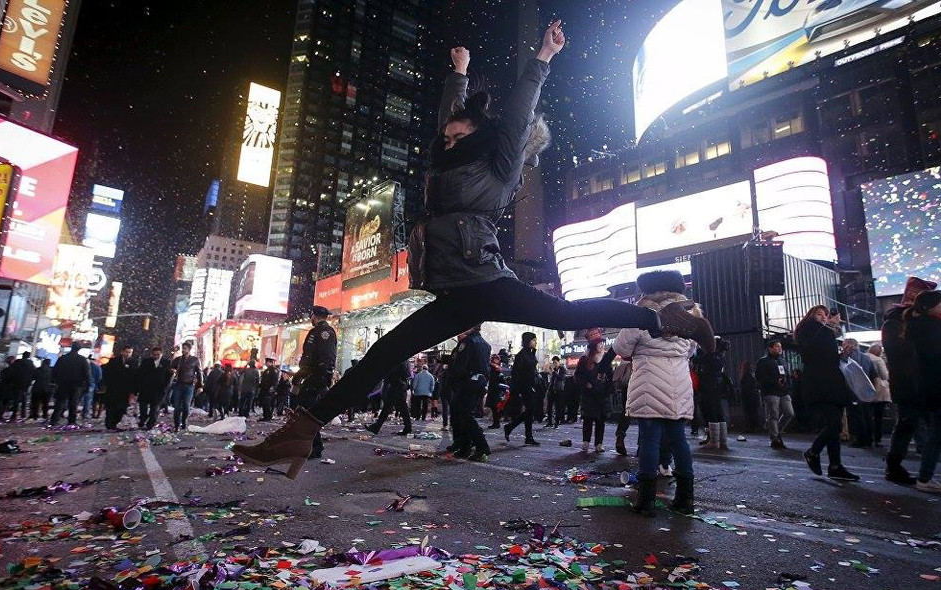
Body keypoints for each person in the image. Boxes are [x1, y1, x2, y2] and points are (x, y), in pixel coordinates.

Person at [232, 22, 713, 477]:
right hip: (454, 292)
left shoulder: (499, 166)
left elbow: (520, 113)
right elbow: (450, 120)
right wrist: (458, 74)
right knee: (383, 351)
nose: (449, 140)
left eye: (460, 136)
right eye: (446, 136)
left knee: (568, 315)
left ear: (480, 138)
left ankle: (663, 320)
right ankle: (299, 434)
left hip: (485, 281)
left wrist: (543, 56)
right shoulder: (445, 164)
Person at [613, 270, 707, 516]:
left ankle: (646, 501)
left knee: (650, 439)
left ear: (649, 290)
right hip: (679, 381)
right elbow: (691, 351)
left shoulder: (643, 313)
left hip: (649, 381)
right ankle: (686, 499)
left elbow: (621, 347)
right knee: (679, 439)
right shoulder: (690, 313)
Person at [882, 276, 936, 484]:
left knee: (915, 424)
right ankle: (895, 466)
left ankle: (900, 466)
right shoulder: (896, 322)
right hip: (908, 383)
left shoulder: (910, 321)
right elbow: (900, 352)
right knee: (908, 424)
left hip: (919, 382)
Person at [796, 306, 860, 481]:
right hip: (820, 384)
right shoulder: (808, 330)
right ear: (810, 316)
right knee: (834, 425)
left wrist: (842, 355)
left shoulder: (825, 332)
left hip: (831, 382)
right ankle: (813, 452)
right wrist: (828, 328)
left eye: (825, 315)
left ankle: (835, 465)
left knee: (835, 424)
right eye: (820, 314)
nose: (824, 317)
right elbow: (812, 351)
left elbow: (827, 357)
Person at [902, 289, 941, 493]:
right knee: (935, 435)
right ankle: (925, 478)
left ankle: (925, 477)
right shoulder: (931, 327)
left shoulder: (920, 326)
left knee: (935, 434)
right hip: (937, 387)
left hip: (930, 388)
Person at [293, 306, 337, 458]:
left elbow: (326, 358)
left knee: (306, 411)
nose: (310, 318)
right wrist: (300, 374)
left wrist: (322, 376)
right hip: (311, 376)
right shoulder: (316, 331)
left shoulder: (325, 332)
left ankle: (315, 447)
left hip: (317, 377)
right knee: (305, 411)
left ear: (316, 316)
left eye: (312, 315)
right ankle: (313, 445)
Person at [445, 325, 492, 460]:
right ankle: (465, 448)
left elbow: (460, 366)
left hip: (468, 383)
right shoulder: (485, 345)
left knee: (465, 416)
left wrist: (453, 379)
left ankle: (482, 446)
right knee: (465, 415)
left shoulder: (467, 342)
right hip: (480, 382)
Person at [575, 336, 613, 452]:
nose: (602, 345)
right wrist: (586, 384)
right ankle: (586, 441)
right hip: (589, 394)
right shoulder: (584, 359)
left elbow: (610, 376)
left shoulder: (606, 358)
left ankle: (599, 444)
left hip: (602, 394)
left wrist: (608, 390)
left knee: (601, 420)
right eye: (599, 343)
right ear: (593, 346)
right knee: (588, 418)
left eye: (603, 343)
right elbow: (578, 375)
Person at [504, 332, 541, 446]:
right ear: (528, 341)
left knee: (530, 412)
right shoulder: (521, 355)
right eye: (534, 340)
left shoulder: (530, 353)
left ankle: (526, 436)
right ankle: (511, 428)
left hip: (531, 386)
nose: (535, 342)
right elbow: (516, 374)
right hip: (524, 387)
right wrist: (517, 391)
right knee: (530, 410)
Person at [756, 340, 794, 449]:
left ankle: (777, 432)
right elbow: (759, 377)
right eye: (777, 346)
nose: (779, 348)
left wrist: (787, 384)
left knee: (789, 413)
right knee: (774, 414)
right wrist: (774, 381)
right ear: (770, 348)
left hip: (783, 391)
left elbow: (786, 374)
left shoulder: (782, 361)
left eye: (780, 346)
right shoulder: (763, 361)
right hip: (771, 391)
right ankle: (775, 438)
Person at [698, 337, 733, 450]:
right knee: (719, 412)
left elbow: (695, 360)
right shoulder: (721, 356)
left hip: (708, 386)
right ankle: (723, 441)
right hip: (719, 386)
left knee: (710, 412)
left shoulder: (709, 356)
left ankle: (714, 441)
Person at [842, 338, 875, 447]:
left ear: (848, 345)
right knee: (867, 415)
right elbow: (873, 374)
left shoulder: (850, 357)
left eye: (844, 345)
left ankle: (860, 439)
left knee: (857, 416)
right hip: (866, 390)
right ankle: (869, 438)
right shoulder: (867, 357)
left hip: (855, 390)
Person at [367, 361, 413, 436]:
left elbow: (393, 373)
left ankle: (376, 426)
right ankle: (408, 428)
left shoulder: (400, 360)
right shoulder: (404, 360)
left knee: (388, 407)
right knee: (401, 408)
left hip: (397, 386)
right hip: (400, 385)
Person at [51, 346, 90, 427]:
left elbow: (55, 371)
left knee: (60, 403)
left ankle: (54, 420)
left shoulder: (62, 358)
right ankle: (71, 421)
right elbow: (87, 373)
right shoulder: (82, 359)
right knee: (73, 404)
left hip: (63, 384)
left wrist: (55, 381)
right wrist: (87, 385)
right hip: (76, 385)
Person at [102, 346, 137, 431]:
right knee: (111, 408)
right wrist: (106, 385)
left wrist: (133, 390)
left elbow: (135, 376)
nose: (128, 354)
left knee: (121, 409)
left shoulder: (134, 362)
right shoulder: (114, 361)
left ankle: (115, 422)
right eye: (126, 352)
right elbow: (107, 373)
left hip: (125, 390)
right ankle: (109, 424)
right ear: (122, 352)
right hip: (113, 388)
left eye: (130, 352)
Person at [137, 346, 173, 430]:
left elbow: (168, 375)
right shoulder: (146, 361)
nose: (156, 356)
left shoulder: (167, 362)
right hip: (146, 388)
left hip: (159, 389)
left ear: (161, 354)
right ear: (151, 354)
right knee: (143, 406)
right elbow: (140, 374)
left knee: (155, 407)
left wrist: (166, 386)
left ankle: (150, 424)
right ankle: (143, 419)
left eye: (158, 355)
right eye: (154, 354)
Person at [171, 341, 203, 431]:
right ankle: (176, 425)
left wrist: (200, 386)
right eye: (183, 348)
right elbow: (171, 367)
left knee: (186, 405)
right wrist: (172, 370)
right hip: (178, 385)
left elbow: (200, 373)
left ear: (189, 349)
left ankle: (184, 420)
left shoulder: (195, 360)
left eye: (185, 349)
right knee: (177, 406)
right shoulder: (178, 359)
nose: (183, 350)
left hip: (189, 386)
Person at [866, 342, 890, 447]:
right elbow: (885, 375)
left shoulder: (864, 357)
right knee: (878, 417)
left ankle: (867, 437)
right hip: (879, 391)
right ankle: (877, 439)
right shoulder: (878, 360)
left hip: (865, 389)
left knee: (866, 415)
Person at [613, 356, 632, 456]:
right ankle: (643, 445)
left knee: (627, 412)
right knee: (646, 415)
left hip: (629, 382)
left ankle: (620, 436)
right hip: (643, 377)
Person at [9, 352, 36, 421]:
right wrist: (30, 380)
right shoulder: (31, 364)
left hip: (16, 383)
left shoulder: (17, 362)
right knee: (24, 398)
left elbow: (12, 372)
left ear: (22, 356)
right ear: (28, 356)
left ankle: (14, 414)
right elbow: (34, 373)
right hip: (26, 384)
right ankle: (23, 414)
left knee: (16, 399)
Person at [738, 361, 761, 435]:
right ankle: (753, 427)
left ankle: (750, 427)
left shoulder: (745, 376)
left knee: (748, 412)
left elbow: (745, 387)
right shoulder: (752, 375)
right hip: (752, 395)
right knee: (753, 412)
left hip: (747, 396)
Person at [546, 355, 567, 427]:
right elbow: (551, 380)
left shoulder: (562, 369)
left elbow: (561, 378)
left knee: (558, 407)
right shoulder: (553, 370)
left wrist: (554, 373)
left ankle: (557, 423)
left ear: (559, 362)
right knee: (549, 407)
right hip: (552, 390)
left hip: (559, 390)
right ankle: (549, 422)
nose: (555, 364)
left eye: (556, 362)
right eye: (553, 362)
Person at [259, 357, 281, 422]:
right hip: (264, 390)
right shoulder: (267, 370)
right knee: (264, 404)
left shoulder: (274, 370)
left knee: (267, 404)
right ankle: (265, 416)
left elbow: (275, 381)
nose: (266, 363)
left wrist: (272, 389)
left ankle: (267, 417)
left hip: (268, 391)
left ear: (270, 362)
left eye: (267, 362)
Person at [84, 354, 103, 422]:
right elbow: (99, 377)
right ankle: (85, 414)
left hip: (82, 384)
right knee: (88, 400)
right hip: (91, 385)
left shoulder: (85, 365)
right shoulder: (97, 367)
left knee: (78, 399)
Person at [487, 353, 504, 429]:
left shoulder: (495, 368)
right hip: (494, 389)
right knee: (494, 407)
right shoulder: (495, 368)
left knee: (494, 407)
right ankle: (496, 422)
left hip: (495, 390)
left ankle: (496, 423)